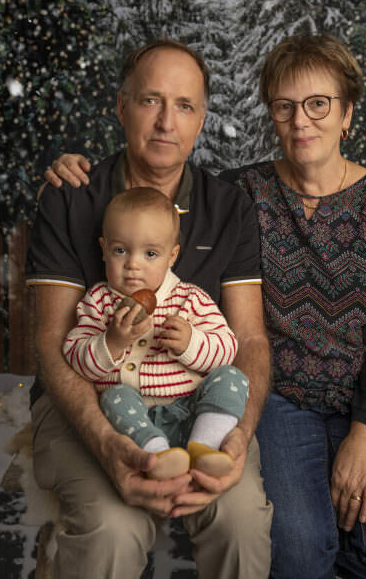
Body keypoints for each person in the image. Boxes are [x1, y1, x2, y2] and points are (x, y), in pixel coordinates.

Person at [50, 33, 366, 579]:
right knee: (298, 551)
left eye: (318, 104)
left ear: (347, 112)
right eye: (284, 107)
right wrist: (74, 167)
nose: (301, 121)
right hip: (282, 398)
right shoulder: (244, 194)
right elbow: (149, 194)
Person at [26, 38, 272, 579]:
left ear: (201, 119)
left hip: (193, 402)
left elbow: (249, 341)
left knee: (240, 521)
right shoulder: (72, 197)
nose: (166, 122)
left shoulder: (227, 208)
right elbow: (51, 345)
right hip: (86, 402)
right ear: (120, 107)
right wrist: (110, 444)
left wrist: (238, 434)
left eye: (184, 106)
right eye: (150, 101)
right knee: (113, 530)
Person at [64, 186, 249, 480]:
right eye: (120, 250)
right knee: (114, 396)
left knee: (233, 378)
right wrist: (111, 342)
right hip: (132, 421)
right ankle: (157, 454)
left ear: (172, 256)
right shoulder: (98, 302)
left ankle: (205, 447)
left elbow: (227, 347)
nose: (133, 265)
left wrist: (191, 342)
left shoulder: (190, 299)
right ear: (103, 249)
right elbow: (75, 356)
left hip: (190, 410)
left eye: (150, 254)